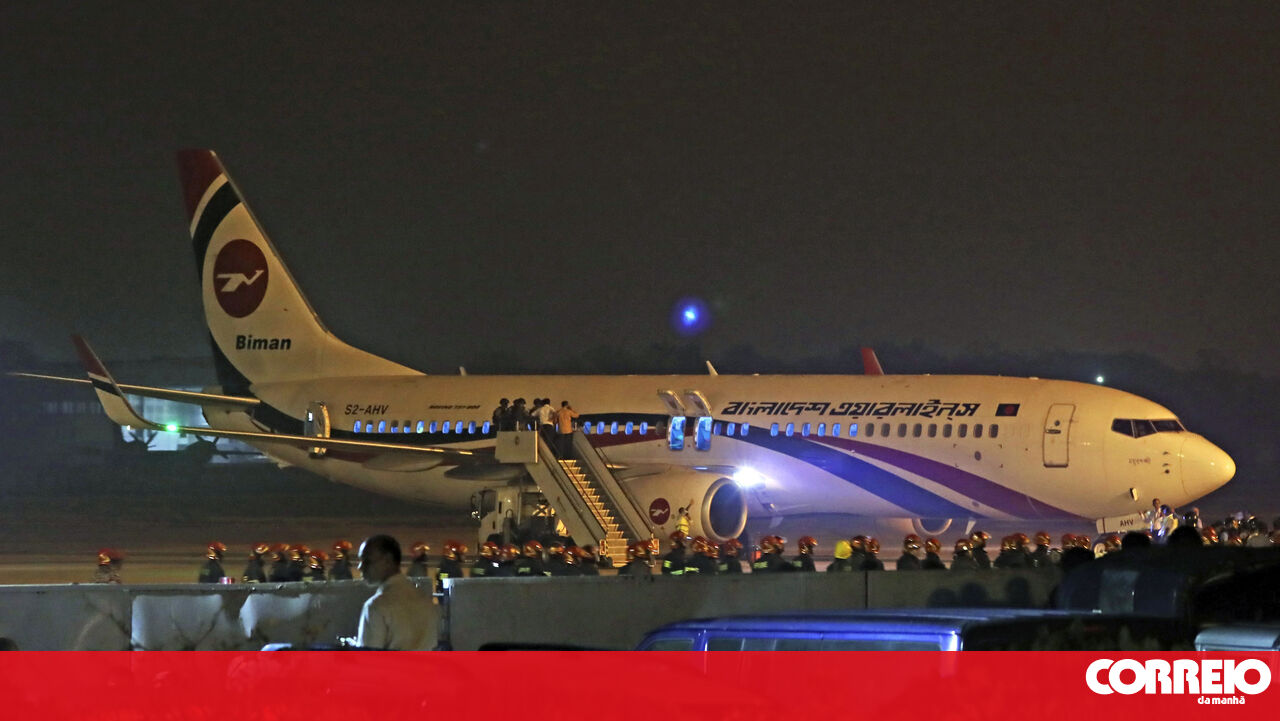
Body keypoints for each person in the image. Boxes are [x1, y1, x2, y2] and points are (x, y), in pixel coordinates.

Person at [354, 535, 434, 650]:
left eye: (367, 561)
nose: (360, 567)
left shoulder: (376, 606)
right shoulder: (426, 602)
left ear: (388, 560)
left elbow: (368, 657)